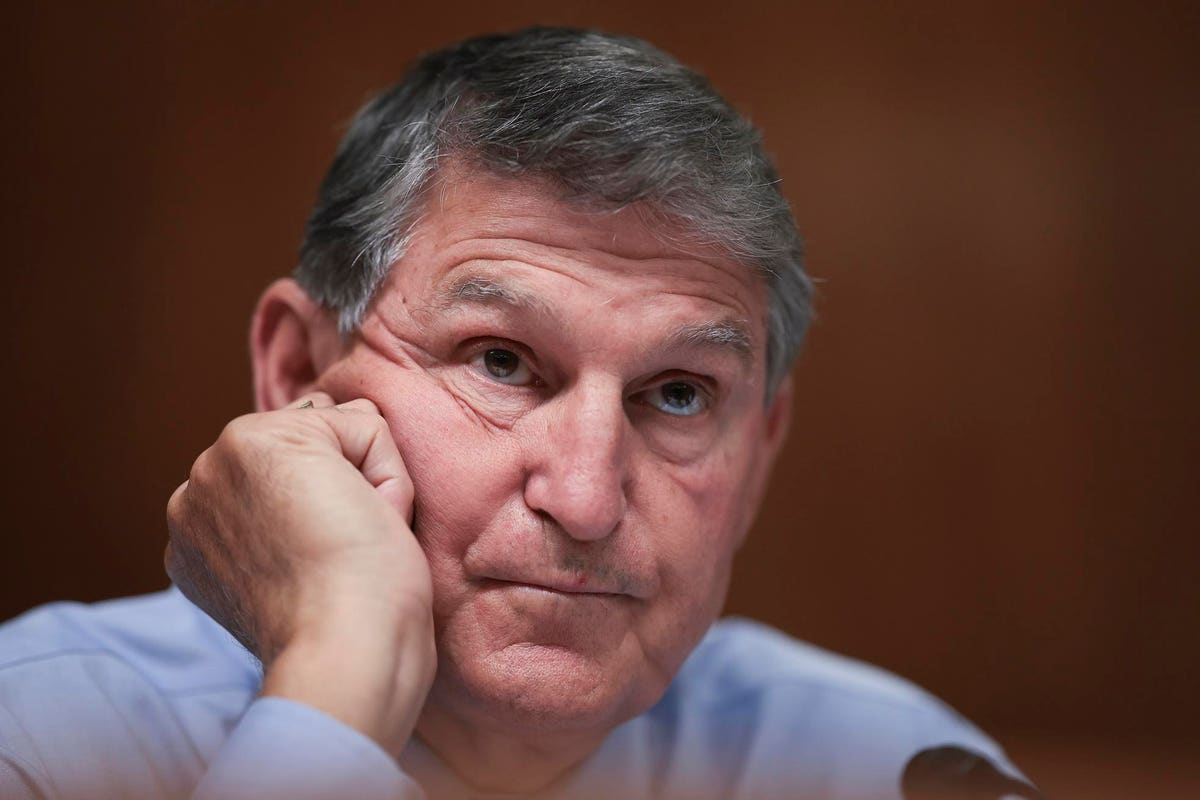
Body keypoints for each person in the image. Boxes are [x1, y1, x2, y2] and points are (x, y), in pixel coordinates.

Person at [0, 27, 1034, 800]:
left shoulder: (883, 766)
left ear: (760, 450)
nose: (584, 500)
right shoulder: (43, 737)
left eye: (678, 393)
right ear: (297, 371)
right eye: (501, 362)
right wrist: (337, 673)